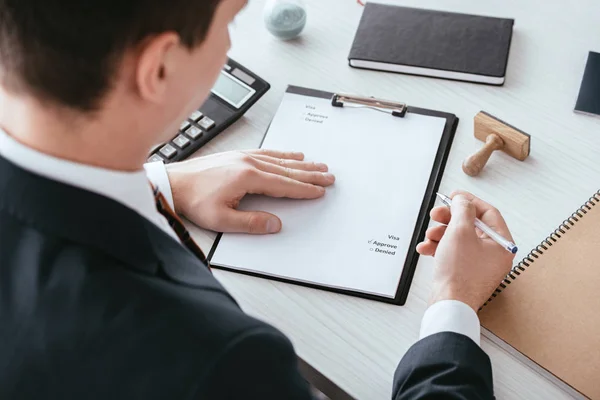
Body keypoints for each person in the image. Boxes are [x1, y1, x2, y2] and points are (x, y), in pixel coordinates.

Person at [0, 0, 514, 398]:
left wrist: (164, 183)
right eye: (231, 21)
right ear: (158, 68)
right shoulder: (220, 358)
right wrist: (454, 302)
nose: (229, 44)